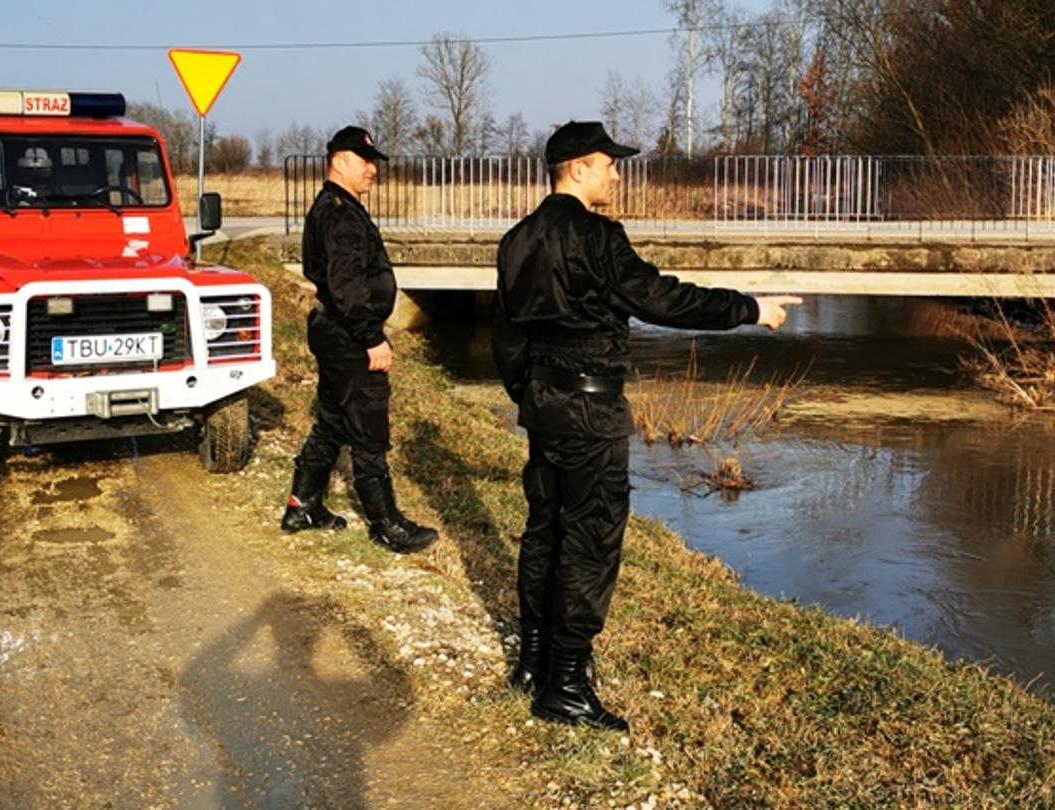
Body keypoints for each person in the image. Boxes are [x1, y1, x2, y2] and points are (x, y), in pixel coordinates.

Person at [493, 121, 798, 731]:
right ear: (576, 167)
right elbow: (662, 299)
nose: (617, 173)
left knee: (545, 530)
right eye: (609, 162)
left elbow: (508, 335)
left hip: (545, 403)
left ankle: (532, 662)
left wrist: (530, 394)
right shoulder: (597, 237)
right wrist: (749, 308)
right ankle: (568, 686)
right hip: (590, 408)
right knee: (591, 541)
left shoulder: (517, 239)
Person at [279, 126, 439, 553]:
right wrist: (372, 338)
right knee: (368, 430)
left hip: (334, 331)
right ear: (340, 161)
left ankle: (303, 503)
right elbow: (347, 284)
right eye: (365, 162)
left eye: (374, 163)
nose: (373, 170)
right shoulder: (341, 214)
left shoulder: (334, 208)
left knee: (333, 421)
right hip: (349, 336)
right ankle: (387, 525)